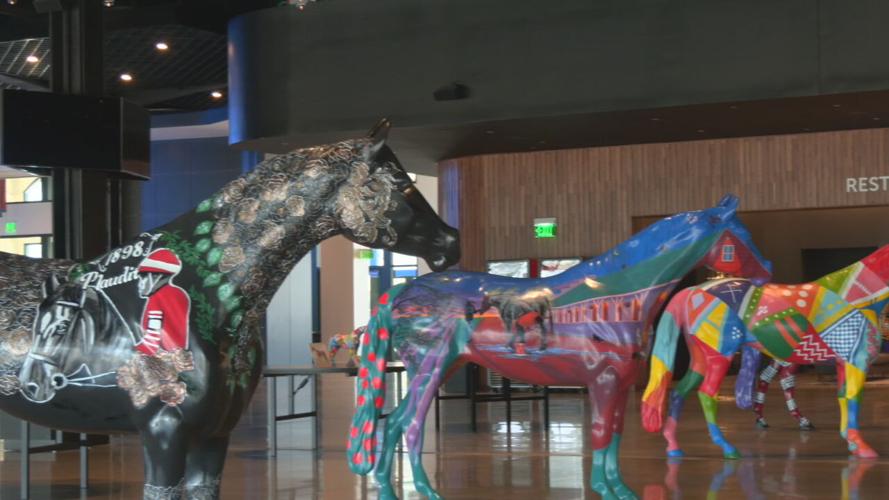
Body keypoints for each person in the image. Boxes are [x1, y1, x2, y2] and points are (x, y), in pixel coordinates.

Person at [135, 249, 191, 356]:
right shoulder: (179, 293)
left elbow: (153, 339)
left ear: (156, 277)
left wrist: (130, 353)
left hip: (162, 360)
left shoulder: (157, 298)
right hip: (178, 357)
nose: (139, 284)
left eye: (143, 278)